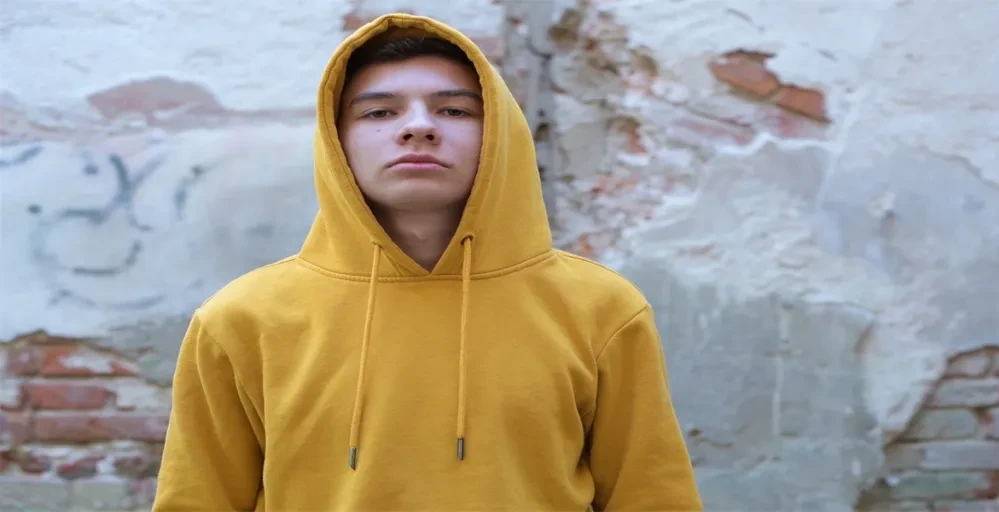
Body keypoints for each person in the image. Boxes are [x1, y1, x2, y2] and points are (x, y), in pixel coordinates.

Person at [153, 12, 702, 511]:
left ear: (500, 134)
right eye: (380, 111)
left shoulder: (601, 310)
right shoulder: (240, 321)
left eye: (454, 109)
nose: (418, 127)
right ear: (336, 141)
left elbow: (651, 498)